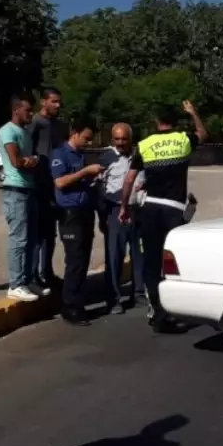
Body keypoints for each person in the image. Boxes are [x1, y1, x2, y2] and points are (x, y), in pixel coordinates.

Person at [119, 99, 206, 332]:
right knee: (172, 261)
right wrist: (193, 112)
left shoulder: (145, 145)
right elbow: (202, 133)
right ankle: (174, 306)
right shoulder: (184, 140)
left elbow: (129, 179)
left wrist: (124, 206)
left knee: (151, 262)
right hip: (175, 210)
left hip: (150, 208)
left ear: (156, 121)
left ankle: (156, 310)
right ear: (176, 121)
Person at [49, 121, 102, 325]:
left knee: (83, 259)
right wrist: (85, 172)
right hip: (70, 213)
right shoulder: (60, 154)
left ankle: (78, 300)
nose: (88, 143)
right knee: (75, 260)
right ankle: (70, 306)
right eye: (86, 138)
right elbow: (60, 182)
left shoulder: (80, 154)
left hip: (85, 210)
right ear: (75, 133)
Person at [0, 95, 42, 301]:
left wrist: (31, 160)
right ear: (16, 110)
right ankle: (15, 284)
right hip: (15, 191)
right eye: (27, 110)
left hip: (29, 188)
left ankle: (28, 279)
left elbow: (29, 160)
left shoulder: (25, 132)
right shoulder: (7, 131)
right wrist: (31, 160)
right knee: (19, 239)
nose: (30, 114)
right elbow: (16, 161)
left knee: (32, 239)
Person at [98, 123, 145, 315]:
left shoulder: (140, 156)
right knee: (115, 256)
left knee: (140, 255)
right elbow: (99, 189)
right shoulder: (106, 158)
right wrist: (102, 217)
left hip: (138, 211)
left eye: (124, 139)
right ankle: (114, 298)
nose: (120, 143)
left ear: (130, 139)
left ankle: (139, 293)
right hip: (115, 212)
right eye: (117, 139)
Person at [28, 88, 66, 291]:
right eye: (54, 102)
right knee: (37, 234)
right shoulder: (36, 123)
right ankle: (32, 275)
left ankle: (47, 272)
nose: (58, 105)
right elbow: (27, 149)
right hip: (40, 184)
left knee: (50, 234)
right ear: (43, 102)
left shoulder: (58, 125)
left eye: (59, 102)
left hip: (55, 184)